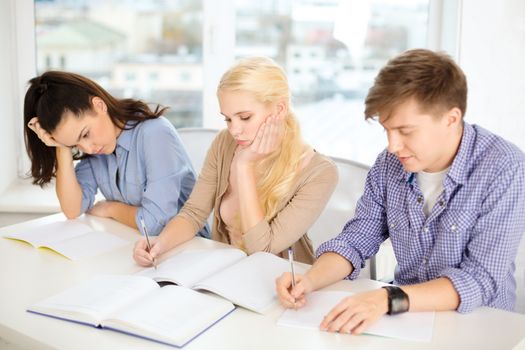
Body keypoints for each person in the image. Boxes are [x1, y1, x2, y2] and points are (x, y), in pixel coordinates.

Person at [276, 49, 525, 334]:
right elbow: (355, 240)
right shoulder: (389, 164)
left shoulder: (505, 168)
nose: (393, 146)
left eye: (405, 131)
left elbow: (479, 278)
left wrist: (387, 298)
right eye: (387, 130)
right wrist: (310, 280)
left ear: (451, 119)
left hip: (479, 325)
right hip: (404, 320)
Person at [133, 57, 338, 265]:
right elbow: (194, 213)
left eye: (245, 117)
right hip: (229, 275)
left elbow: (262, 249)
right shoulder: (224, 143)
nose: (234, 130)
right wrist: (159, 245)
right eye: (228, 119)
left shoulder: (320, 172)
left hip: (281, 284)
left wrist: (244, 166)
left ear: (279, 110)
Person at [24, 71, 208, 237]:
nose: (87, 148)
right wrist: (62, 147)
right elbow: (72, 209)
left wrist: (111, 209)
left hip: (189, 249)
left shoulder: (154, 133)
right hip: (137, 247)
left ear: (99, 105)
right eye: (76, 144)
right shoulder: (98, 149)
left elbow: (154, 224)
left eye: (85, 134)